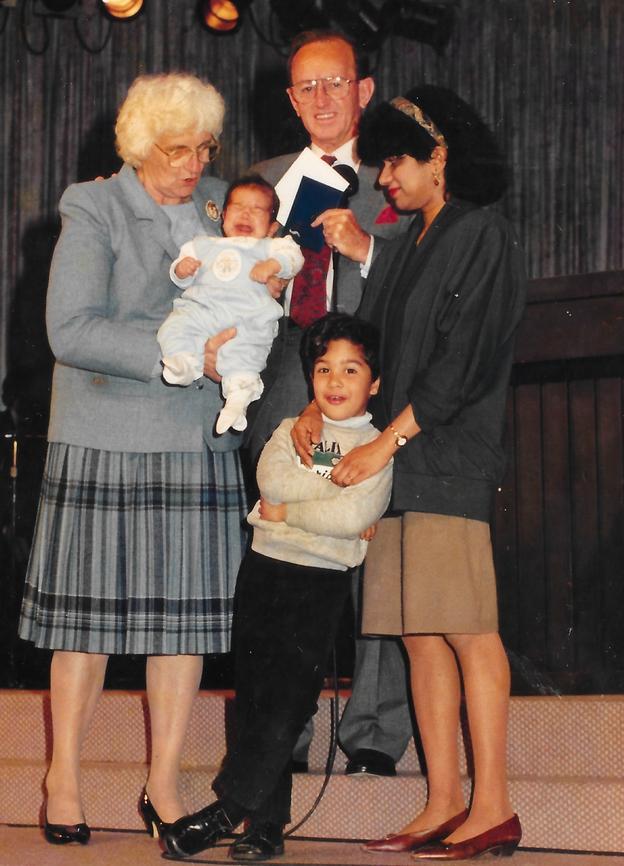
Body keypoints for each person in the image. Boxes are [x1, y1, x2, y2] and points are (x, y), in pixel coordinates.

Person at [17, 72, 277, 846]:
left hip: (194, 440)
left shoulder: (226, 204)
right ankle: (63, 776)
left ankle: (162, 782)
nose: (194, 164)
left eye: (204, 147)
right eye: (175, 150)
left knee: (183, 627)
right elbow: (71, 331)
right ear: (137, 147)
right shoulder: (94, 206)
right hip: (104, 434)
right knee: (86, 624)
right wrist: (186, 356)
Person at [292, 86, 527, 859]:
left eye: (395, 161)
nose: (384, 177)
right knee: (422, 635)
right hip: (399, 459)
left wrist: (381, 445)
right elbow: (375, 353)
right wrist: (320, 410)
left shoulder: (479, 233)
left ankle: (492, 804)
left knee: (466, 630)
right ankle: (444, 801)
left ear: (441, 157)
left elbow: (457, 368)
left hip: (444, 459)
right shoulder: (412, 240)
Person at [163, 313, 394, 861]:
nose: (334, 381)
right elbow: (271, 480)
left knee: (289, 701)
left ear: (375, 382)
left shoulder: (375, 448)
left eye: (350, 369)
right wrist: (323, 495)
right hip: (265, 567)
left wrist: (290, 509)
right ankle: (265, 827)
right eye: (323, 369)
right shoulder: (292, 428)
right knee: (257, 700)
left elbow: (352, 514)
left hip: (321, 580)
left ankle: (225, 810)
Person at [247, 28, 413, 780]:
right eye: (306, 86)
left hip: (374, 394)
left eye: (335, 83)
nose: (321, 99)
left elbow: (420, 290)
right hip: (285, 389)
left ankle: (374, 731)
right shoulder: (255, 183)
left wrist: (367, 253)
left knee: (374, 558)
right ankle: (284, 729)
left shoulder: (398, 183)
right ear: (291, 98)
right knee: (290, 562)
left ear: (364, 91)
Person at [158, 175, 303, 434]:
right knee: (176, 326)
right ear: (223, 216)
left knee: (246, 352)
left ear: (271, 227)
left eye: (257, 210)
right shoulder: (204, 244)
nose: (246, 215)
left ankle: (239, 399)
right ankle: (183, 362)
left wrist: (274, 265)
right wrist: (182, 269)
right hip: (203, 311)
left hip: (248, 317)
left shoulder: (271, 247)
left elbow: (293, 256)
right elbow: (181, 274)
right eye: (238, 207)